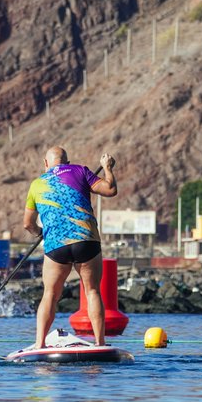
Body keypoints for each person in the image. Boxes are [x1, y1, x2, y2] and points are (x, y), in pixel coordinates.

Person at [23, 146, 118, 348]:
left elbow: (28, 224)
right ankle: (100, 343)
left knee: (50, 294)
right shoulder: (80, 171)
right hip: (86, 241)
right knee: (92, 291)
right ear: (66, 162)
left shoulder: (36, 184)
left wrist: (41, 233)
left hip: (56, 245)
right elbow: (110, 190)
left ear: (45, 164)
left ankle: (39, 345)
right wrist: (107, 167)